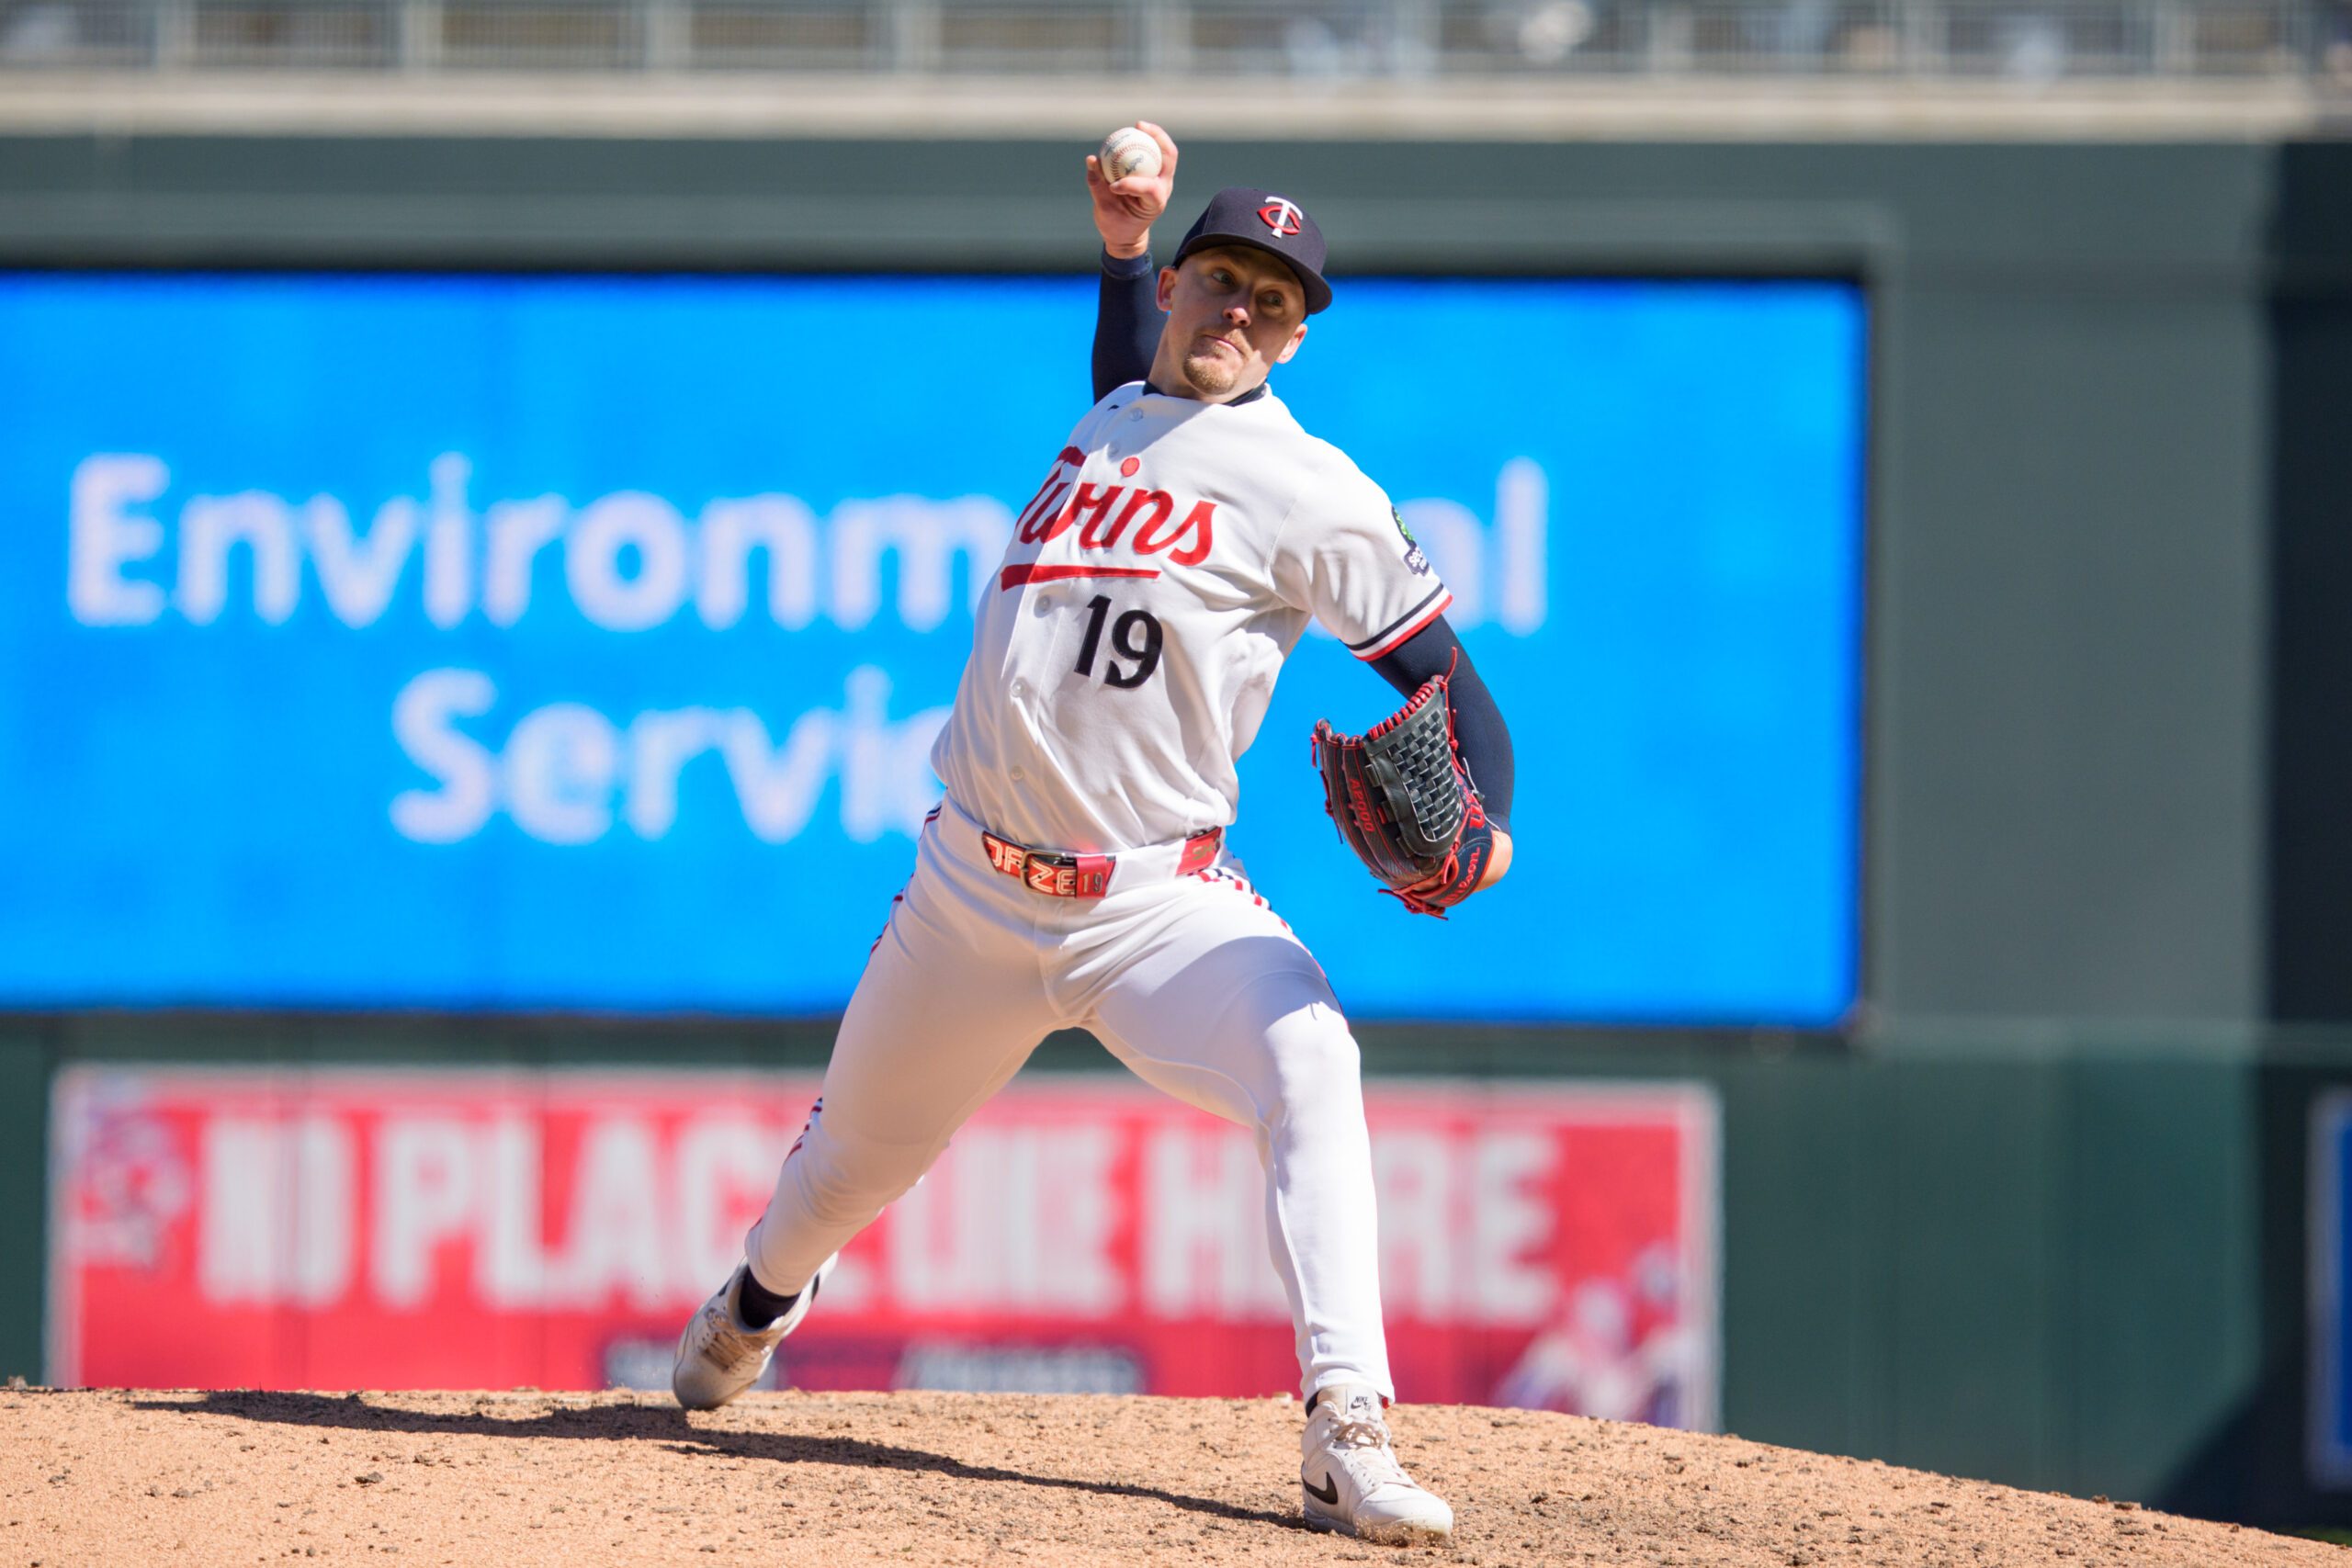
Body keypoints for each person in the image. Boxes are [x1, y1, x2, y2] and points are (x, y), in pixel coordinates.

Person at [672, 122, 1516, 1546]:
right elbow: (1131, 382)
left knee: (1312, 1052)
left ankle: (1345, 1426)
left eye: (1274, 300)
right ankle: (760, 1301)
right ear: (1183, 285)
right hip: (969, 897)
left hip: (1155, 907)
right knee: (835, 1183)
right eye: (1220, 281)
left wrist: (1491, 828)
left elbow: (1457, 687)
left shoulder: (1316, 491)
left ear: (1298, 336)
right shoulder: (1115, 412)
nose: (1240, 313)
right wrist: (1122, 251)